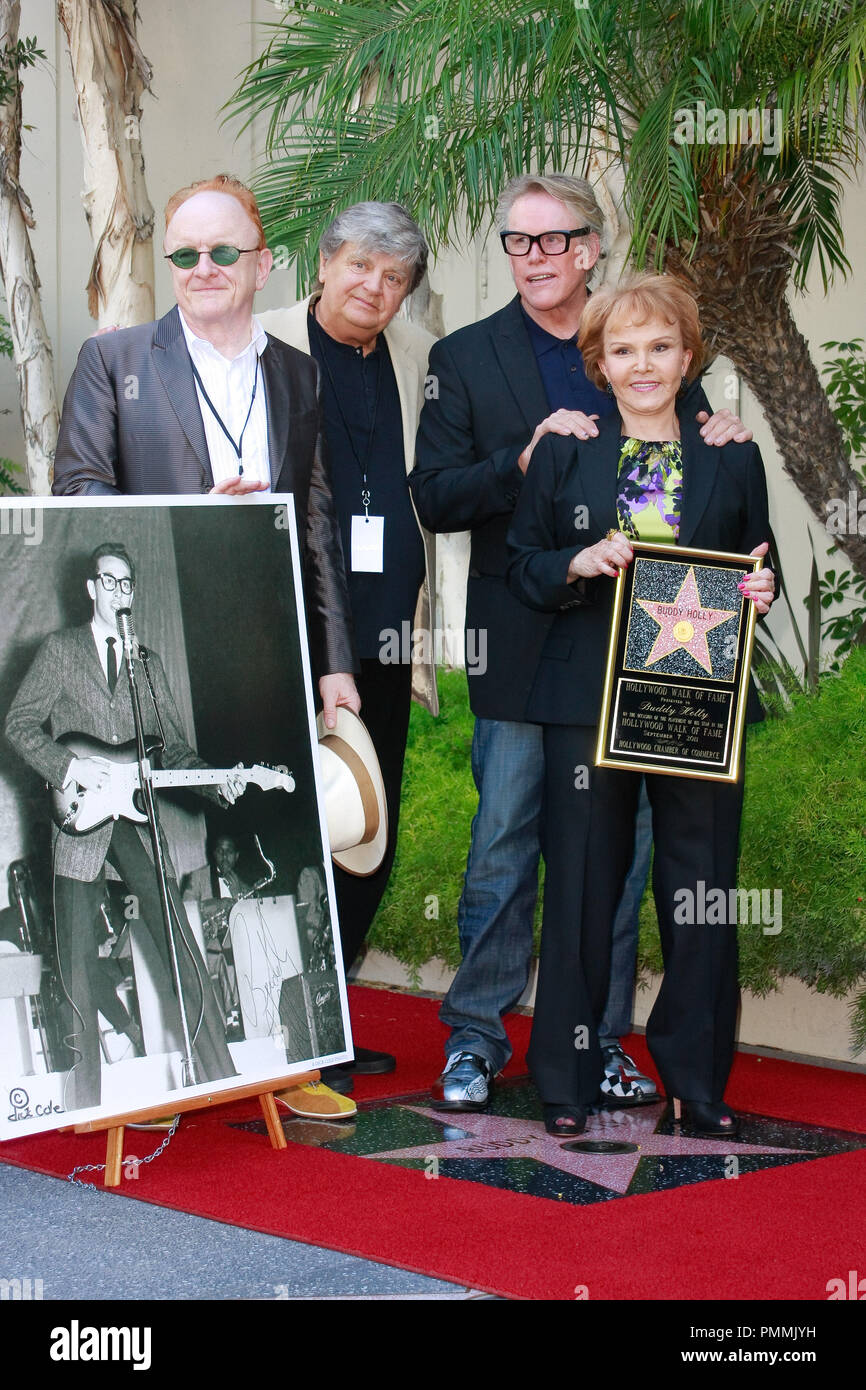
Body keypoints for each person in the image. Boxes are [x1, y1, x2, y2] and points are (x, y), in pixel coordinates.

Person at [411, 172, 753, 1111]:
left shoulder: (639, 342)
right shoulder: (465, 357)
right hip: (526, 651)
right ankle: (476, 1038)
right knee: (505, 845)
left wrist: (713, 425)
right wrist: (519, 458)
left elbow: (690, 486)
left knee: (620, 855)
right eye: (520, 243)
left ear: (590, 247)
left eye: (556, 240)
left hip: (645, 659)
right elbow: (433, 497)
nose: (537, 258)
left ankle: (598, 1039)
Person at [51, 174, 359, 1117]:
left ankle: (291, 1062)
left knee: (274, 834)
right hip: (170, 646)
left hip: (272, 648)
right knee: (176, 867)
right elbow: (77, 489)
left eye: (223, 251)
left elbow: (315, 521)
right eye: (184, 254)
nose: (202, 269)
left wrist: (338, 659)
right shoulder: (113, 361)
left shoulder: (298, 373)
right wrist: (188, 517)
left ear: (265, 263)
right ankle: (157, 1073)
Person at [506, 272, 775, 1137]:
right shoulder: (566, 449)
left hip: (695, 696)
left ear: (687, 357)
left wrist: (763, 588)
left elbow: (761, 564)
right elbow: (523, 566)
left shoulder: (732, 452)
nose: (643, 364)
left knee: (701, 889)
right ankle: (567, 1085)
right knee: (583, 886)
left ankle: (698, 1086)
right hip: (586, 700)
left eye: (660, 347)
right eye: (623, 349)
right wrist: (576, 563)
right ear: (600, 363)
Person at [258, 202, 438, 1094]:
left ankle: (322, 1020)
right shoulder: (260, 345)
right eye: (361, 266)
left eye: (394, 276)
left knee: (366, 829)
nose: (374, 287)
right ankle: (278, 1034)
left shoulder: (416, 357)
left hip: (386, 640)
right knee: (286, 832)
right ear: (323, 262)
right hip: (285, 633)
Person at [5, 544, 247, 1112]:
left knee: (182, 951)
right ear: (91, 589)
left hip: (136, 821)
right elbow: (18, 724)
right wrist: (69, 767)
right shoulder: (60, 651)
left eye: (127, 584)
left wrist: (218, 783)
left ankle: (222, 1082)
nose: (119, 593)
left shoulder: (148, 664)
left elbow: (178, 752)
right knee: (76, 975)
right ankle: (84, 1108)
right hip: (80, 820)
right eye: (108, 582)